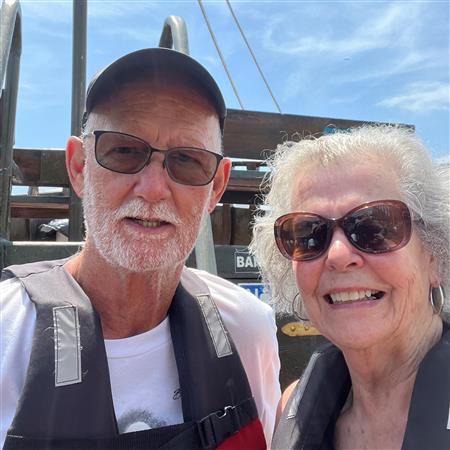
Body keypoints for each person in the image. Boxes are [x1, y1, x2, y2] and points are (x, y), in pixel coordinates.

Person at [0, 48, 281, 449]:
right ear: (79, 167)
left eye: (188, 161)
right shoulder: (7, 333)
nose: (152, 189)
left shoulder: (247, 330)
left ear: (216, 187)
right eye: (124, 151)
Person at [250, 125, 449, 449]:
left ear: (434, 256)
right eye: (309, 233)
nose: (338, 255)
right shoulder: (291, 406)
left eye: (375, 226)